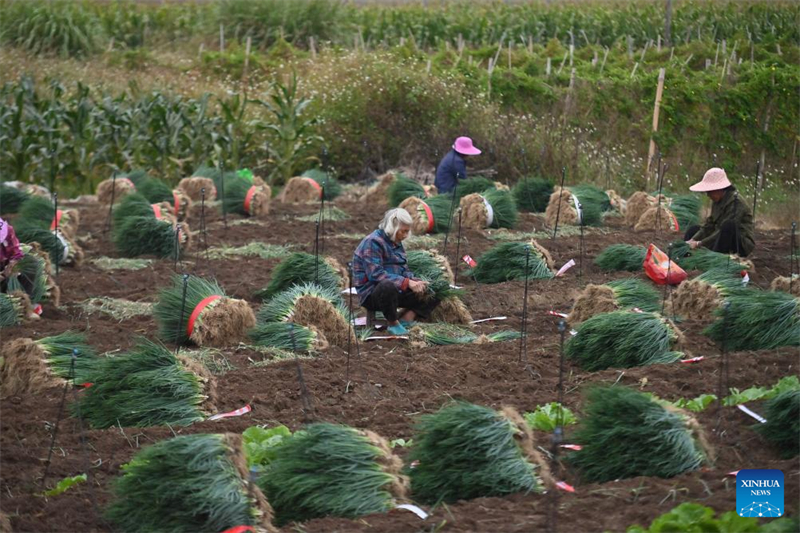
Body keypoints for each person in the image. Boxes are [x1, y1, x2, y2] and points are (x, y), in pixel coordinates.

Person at [353, 208, 440, 336]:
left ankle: (406, 319)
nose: (405, 235)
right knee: (387, 286)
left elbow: (403, 269)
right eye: (403, 231)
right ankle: (393, 324)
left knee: (436, 288)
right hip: (373, 294)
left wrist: (414, 281)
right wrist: (406, 282)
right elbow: (376, 274)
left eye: (407, 232)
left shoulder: (396, 242)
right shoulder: (373, 242)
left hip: (396, 290)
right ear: (393, 227)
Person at [684, 167, 755, 257]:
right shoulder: (717, 201)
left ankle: (713, 258)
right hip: (719, 237)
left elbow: (722, 231)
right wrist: (693, 240)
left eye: (710, 191)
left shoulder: (736, 202)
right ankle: (687, 255)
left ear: (720, 189)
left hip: (739, 243)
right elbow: (709, 226)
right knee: (693, 230)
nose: (708, 194)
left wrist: (699, 244)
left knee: (728, 226)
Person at [0, 217, 24, 288]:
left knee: (32, 263)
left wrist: (10, 267)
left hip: (5, 263)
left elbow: (16, 253)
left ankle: (29, 296)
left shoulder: (8, 230)